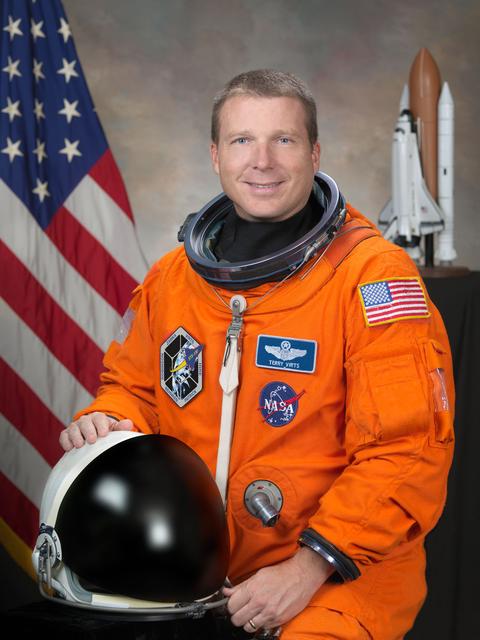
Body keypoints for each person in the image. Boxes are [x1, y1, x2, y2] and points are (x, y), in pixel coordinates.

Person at [59, 69, 455, 639]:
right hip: (191, 570)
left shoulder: (372, 280)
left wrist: (310, 565)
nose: (262, 161)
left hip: (338, 577)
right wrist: (108, 417)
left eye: (283, 139)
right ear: (216, 155)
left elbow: (407, 448)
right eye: (242, 140)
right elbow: (133, 389)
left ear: (314, 153)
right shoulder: (173, 279)